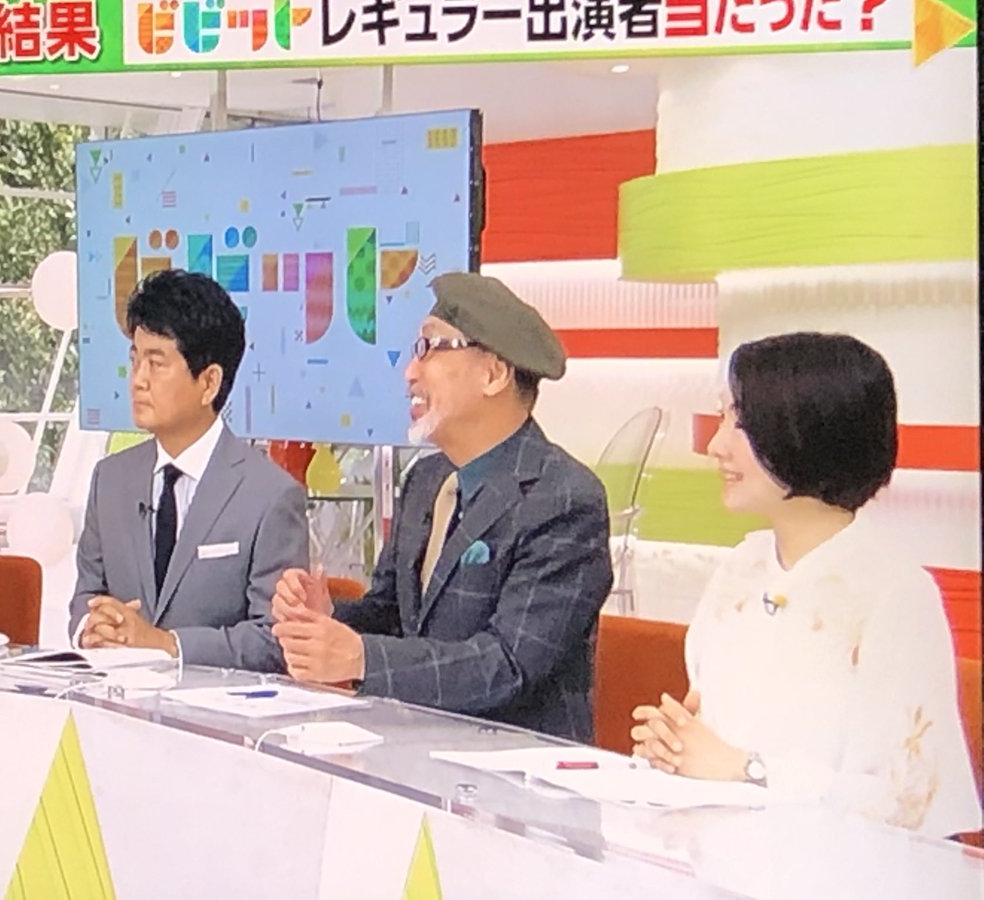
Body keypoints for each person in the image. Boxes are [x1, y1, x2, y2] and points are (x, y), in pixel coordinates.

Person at [631, 332, 981, 838]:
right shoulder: (741, 568)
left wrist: (748, 769)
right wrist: (673, 747)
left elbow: (909, 806)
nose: (715, 445)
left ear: (811, 431)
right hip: (718, 853)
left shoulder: (896, 593)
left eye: (741, 423)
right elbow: (708, 731)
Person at [271, 273, 612, 742]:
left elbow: (507, 664)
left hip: (512, 766)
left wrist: (360, 658)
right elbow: (393, 614)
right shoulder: (426, 480)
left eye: (430, 348)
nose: (410, 372)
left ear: (493, 374)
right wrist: (326, 620)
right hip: (409, 748)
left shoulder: (563, 498)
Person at [69, 269, 309, 671]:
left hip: (220, 704)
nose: (138, 380)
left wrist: (166, 644)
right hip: (119, 697)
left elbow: (275, 637)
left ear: (209, 382)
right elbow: (85, 596)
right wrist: (91, 629)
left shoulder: (271, 496)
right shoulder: (110, 480)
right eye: (135, 360)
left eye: (156, 363)